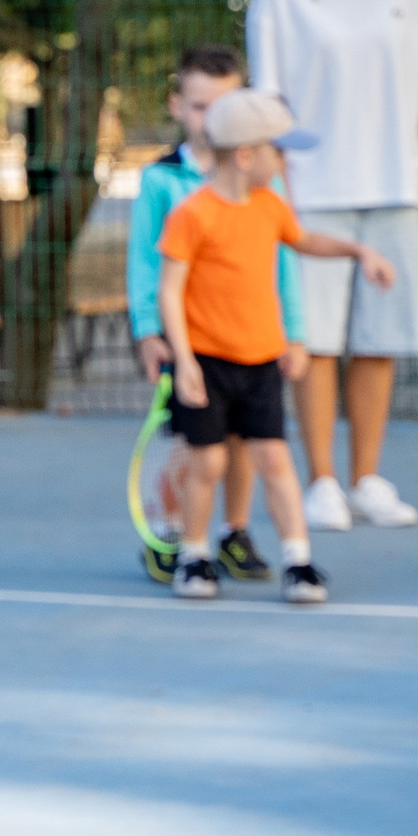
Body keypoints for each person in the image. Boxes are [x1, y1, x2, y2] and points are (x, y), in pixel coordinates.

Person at [245, 0, 418, 530]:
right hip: (311, 195)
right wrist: (276, 193)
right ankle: (322, 484)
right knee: (316, 344)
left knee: (378, 341)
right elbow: (268, 104)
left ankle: (367, 478)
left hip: (394, 191)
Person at [158, 90, 397, 605]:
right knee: (209, 464)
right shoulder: (193, 214)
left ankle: (299, 561)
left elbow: (305, 241)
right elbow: (170, 290)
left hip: (261, 362)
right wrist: (184, 360)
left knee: (275, 458)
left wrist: (358, 251)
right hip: (208, 363)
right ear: (246, 156)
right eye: (279, 151)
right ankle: (194, 555)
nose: (285, 161)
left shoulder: (270, 206)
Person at [127, 44, 307, 582]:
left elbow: (282, 264)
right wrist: (148, 331)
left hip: (249, 338)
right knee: (197, 447)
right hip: (192, 339)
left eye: (226, 105)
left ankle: (233, 531)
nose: (214, 119)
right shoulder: (162, 182)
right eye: (202, 106)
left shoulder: (262, 184)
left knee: (247, 443)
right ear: (177, 105)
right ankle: (173, 532)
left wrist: (293, 333)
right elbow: (146, 265)